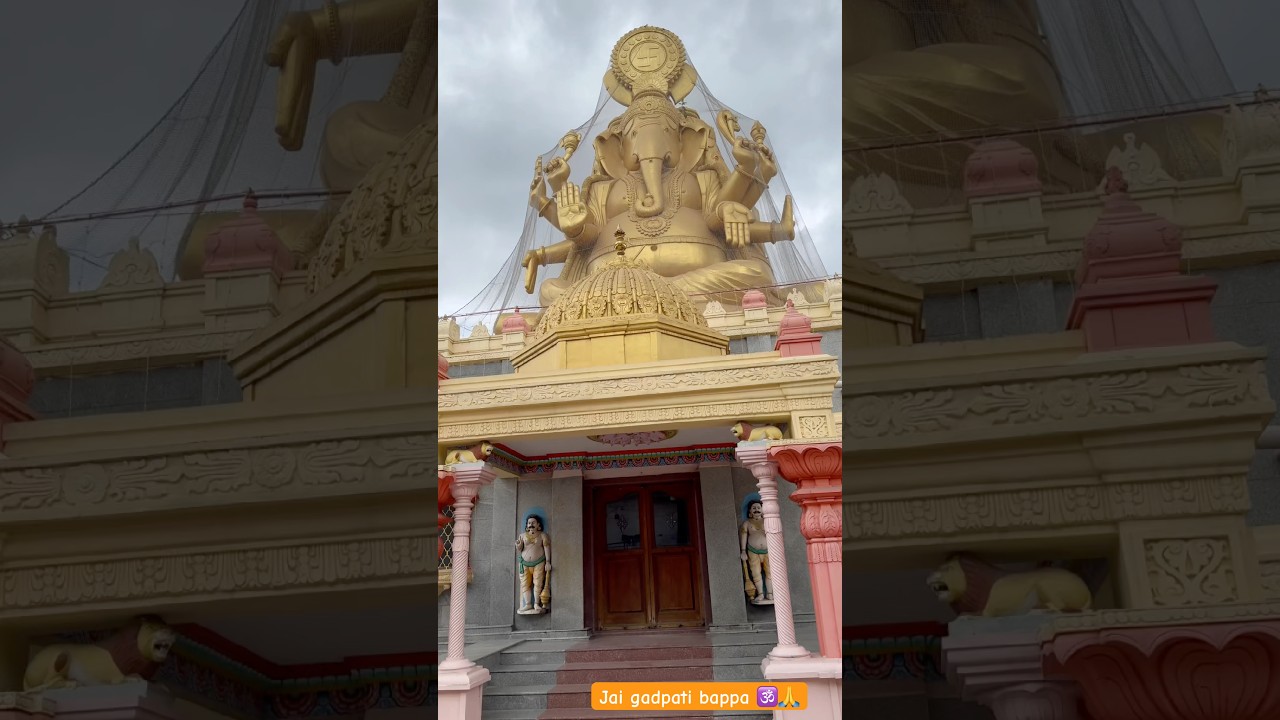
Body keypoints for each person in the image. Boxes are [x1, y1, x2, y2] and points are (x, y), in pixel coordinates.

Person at [516, 514, 552, 614]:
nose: (531, 524)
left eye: (533, 523)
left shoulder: (542, 535)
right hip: (524, 563)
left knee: (538, 583)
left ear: (538, 525)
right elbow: (520, 549)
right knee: (525, 584)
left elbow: (546, 548)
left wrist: (548, 562)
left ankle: (536, 603)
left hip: (539, 562)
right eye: (529, 523)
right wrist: (518, 545)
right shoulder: (522, 536)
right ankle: (528, 604)